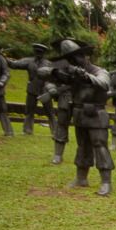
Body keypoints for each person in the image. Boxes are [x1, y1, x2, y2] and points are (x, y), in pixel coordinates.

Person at [48, 39, 113, 196]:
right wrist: (55, 73)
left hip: (96, 114)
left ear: (85, 56)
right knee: (82, 145)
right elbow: (45, 73)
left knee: (100, 146)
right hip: (79, 114)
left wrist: (85, 77)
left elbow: (104, 84)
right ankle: (81, 178)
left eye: (75, 58)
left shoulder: (99, 71)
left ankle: (106, 182)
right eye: (69, 59)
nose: (73, 62)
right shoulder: (70, 73)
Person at [39, 37, 76, 165]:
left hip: (80, 98)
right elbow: (48, 80)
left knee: (85, 127)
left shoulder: (83, 62)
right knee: (61, 125)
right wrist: (52, 88)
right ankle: (58, 155)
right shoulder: (56, 64)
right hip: (64, 97)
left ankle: (86, 155)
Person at [7, 42, 51, 135]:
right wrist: (5, 59)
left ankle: (55, 131)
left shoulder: (48, 64)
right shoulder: (29, 61)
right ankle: (27, 130)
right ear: (34, 52)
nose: (38, 54)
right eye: (37, 52)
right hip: (32, 89)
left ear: (43, 53)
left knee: (49, 111)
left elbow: (53, 77)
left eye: (40, 52)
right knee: (29, 111)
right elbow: (15, 65)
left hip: (44, 90)